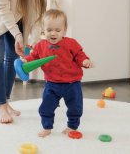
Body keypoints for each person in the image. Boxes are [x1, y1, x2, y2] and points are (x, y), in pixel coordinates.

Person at [22, 9, 93, 137]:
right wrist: (25, 61)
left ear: (64, 30)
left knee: (75, 108)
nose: (53, 33)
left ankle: (72, 126)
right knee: (45, 107)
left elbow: (79, 55)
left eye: (57, 30)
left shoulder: (71, 43)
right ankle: (47, 127)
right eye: (49, 30)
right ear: (43, 30)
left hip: (72, 83)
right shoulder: (40, 46)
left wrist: (85, 61)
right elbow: (33, 57)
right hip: (52, 84)